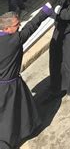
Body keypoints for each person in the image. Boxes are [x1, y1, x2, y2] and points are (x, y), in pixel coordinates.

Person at [0, 8, 51, 148]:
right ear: (7, 28)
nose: (19, 27)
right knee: (10, 114)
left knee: (21, 105)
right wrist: (47, 9)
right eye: (17, 25)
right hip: (9, 86)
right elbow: (32, 26)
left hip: (7, 83)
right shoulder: (13, 41)